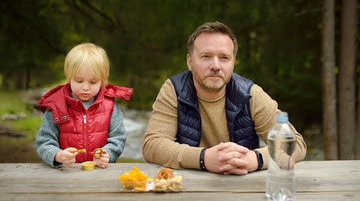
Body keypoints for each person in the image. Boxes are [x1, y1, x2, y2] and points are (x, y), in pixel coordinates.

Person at [142, 21, 306, 175]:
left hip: (241, 188)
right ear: (189, 61)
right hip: (187, 188)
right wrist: (203, 158)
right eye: (206, 56)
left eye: (224, 58)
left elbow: (295, 144)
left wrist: (256, 159)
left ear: (233, 62)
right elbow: (153, 145)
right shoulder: (174, 90)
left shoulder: (250, 94)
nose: (215, 66)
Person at [36, 43, 134, 169]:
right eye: (79, 81)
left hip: (100, 173)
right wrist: (58, 155)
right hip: (66, 174)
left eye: (93, 82)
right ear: (69, 77)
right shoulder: (57, 106)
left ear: (102, 81)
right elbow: (44, 141)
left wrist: (107, 154)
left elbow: (118, 137)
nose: (86, 87)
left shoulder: (109, 106)